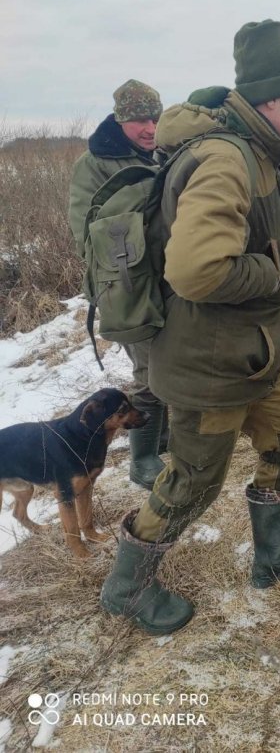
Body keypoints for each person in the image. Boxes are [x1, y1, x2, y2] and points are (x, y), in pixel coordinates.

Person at [100, 20, 280, 636]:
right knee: (191, 483)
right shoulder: (227, 158)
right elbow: (197, 270)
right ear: (270, 102)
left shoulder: (255, 153)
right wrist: (270, 271)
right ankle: (126, 587)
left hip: (251, 357)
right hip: (209, 365)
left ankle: (274, 554)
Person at [68, 80, 168, 490]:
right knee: (148, 371)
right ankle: (143, 459)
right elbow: (86, 233)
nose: (150, 127)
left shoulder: (164, 153)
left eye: (155, 118)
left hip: (167, 279)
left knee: (171, 364)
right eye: (140, 119)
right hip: (125, 285)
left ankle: (163, 439)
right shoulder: (93, 164)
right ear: (121, 119)